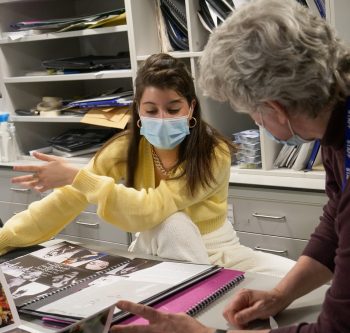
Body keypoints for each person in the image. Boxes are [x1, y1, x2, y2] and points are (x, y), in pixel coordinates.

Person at [110, 0, 350, 333]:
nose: (256, 122)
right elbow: (335, 221)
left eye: (253, 113)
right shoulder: (336, 119)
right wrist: (280, 294)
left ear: (275, 109)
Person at [1, 53, 293, 276]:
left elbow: (151, 207)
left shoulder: (213, 152)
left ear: (191, 107)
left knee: (297, 281)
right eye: (151, 110)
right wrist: (4, 239)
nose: (163, 118)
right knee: (172, 224)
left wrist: (79, 177)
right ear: (138, 111)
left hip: (218, 248)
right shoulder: (126, 148)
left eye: (173, 108)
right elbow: (65, 201)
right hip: (157, 245)